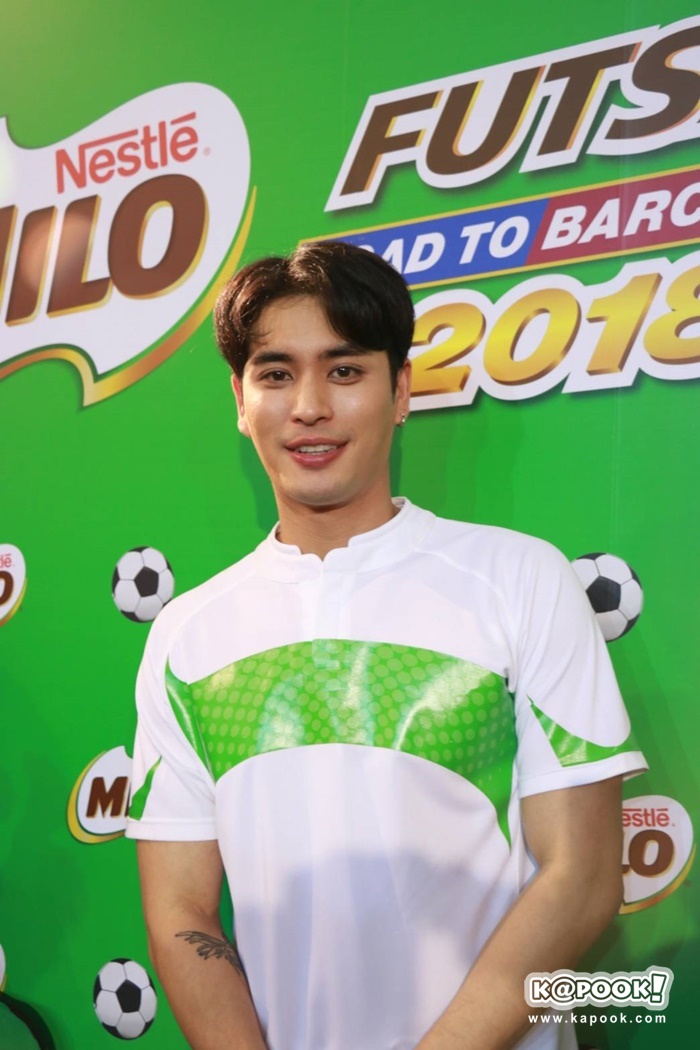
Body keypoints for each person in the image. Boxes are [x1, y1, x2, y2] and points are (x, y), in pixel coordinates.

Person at [125, 240, 647, 1050]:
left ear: (400, 390)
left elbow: (580, 878)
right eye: (275, 374)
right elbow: (180, 912)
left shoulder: (518, 579)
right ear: (240, 400)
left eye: (344, 370)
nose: (309, 407)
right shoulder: (187, 633)